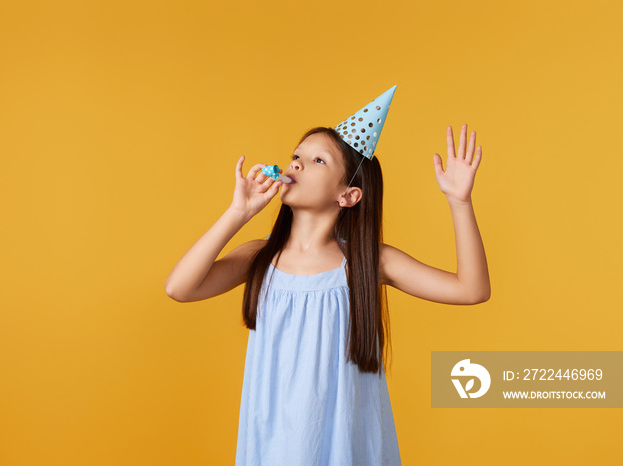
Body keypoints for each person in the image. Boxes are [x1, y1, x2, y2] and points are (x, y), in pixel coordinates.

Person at [165, 88, 490, 465]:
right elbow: (179, 288)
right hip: (274, 442)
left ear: (349, 195)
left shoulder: (367, 262)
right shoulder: (260, 255)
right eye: (296, 156)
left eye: (318, 160)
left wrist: (460, 203)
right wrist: (238, 213)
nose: (297, 164)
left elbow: (472, 290)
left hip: (346, 445)